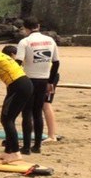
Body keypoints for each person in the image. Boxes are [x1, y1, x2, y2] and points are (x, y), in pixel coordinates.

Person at [15, 18, 60, 153]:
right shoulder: (50, 40)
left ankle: (27, 147)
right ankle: (37, 146)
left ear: (25, 28)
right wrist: (51, 82)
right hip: (44, 80)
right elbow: (56, 63)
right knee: (38, 113)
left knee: (27, 113)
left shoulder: (25, 42)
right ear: (38, 26)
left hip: (29, 80)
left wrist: (17, 81)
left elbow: (17, 62)